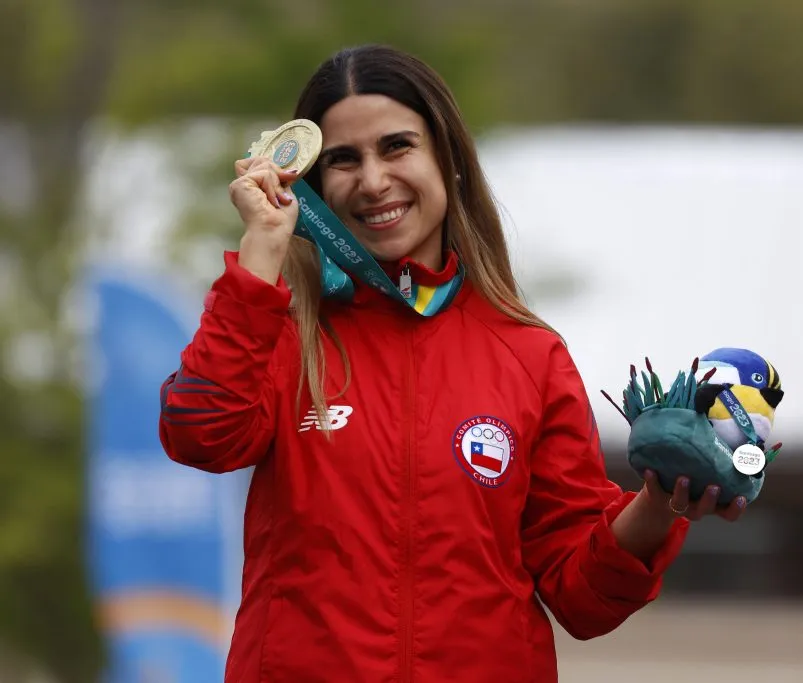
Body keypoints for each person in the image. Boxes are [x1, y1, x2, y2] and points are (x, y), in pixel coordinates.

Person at [159, 43, 746, 683]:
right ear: (316, 186)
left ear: (450, 161)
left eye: (397, 147)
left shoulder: (529, 355)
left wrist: (660, 503)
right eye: (343, 161)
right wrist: (262, 252)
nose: (374, 180)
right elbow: (200, 435)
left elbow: (582, 595)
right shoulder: (279, 330)